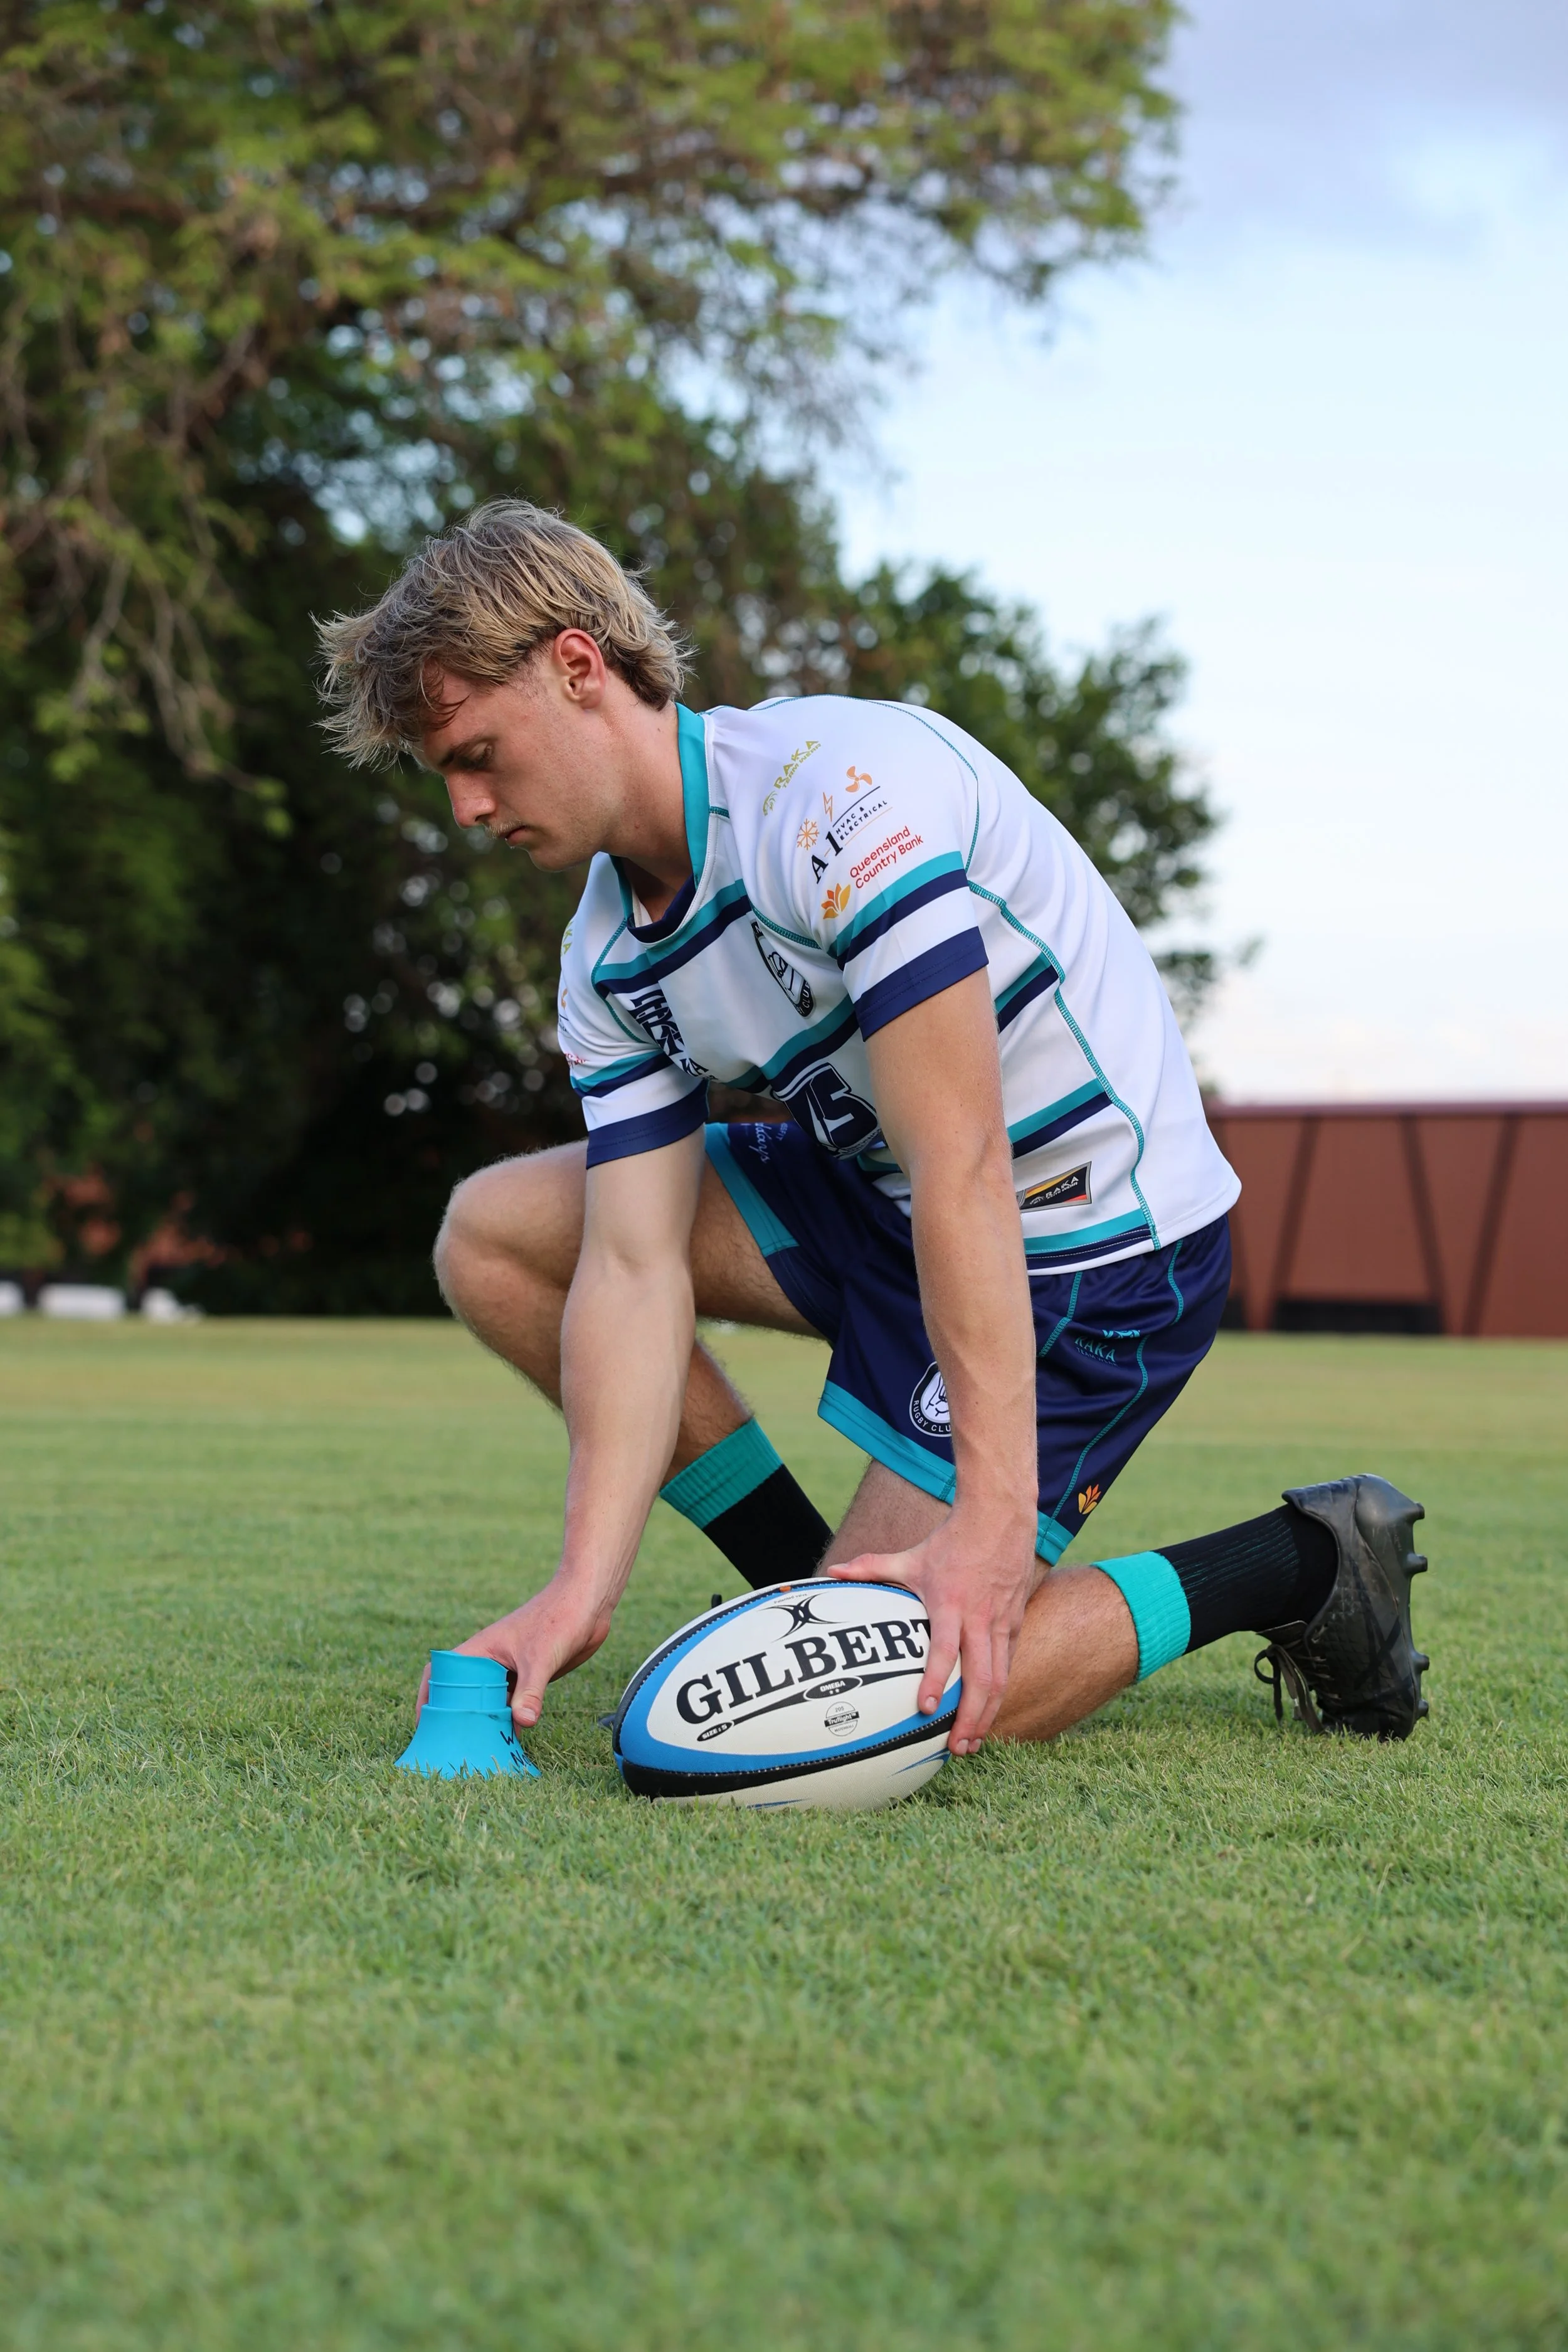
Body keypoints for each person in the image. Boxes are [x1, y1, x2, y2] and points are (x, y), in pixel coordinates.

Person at [318, 502, 1431, 1756]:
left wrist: (991, 1541)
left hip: (1090, 1246)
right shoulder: (604, 956)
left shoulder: (833, 805)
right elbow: (629, 1270)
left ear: (577, 669)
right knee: (498, 1236)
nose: (466, 808)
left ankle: (1297, 1564)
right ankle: (808, 1597)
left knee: (903, 1698)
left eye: (477, 755)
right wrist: (584, 1589)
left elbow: (965, 1167)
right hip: (887, 1190)